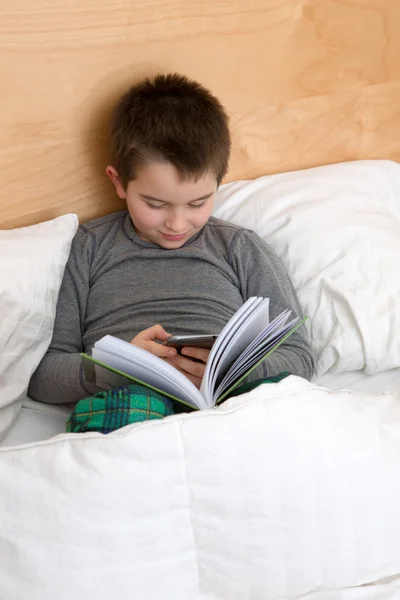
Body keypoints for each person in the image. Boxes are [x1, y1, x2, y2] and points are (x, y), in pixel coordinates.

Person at [29, 73, 314, 408]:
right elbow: (43, 377)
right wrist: (117, 368)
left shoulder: (239, 247)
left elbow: (299, 357)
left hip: (231, 401)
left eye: (198, 203)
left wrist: (237, 372)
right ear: (118, 182)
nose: (177, 224)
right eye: (155, 204)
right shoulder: (88, 248)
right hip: (127, 400)